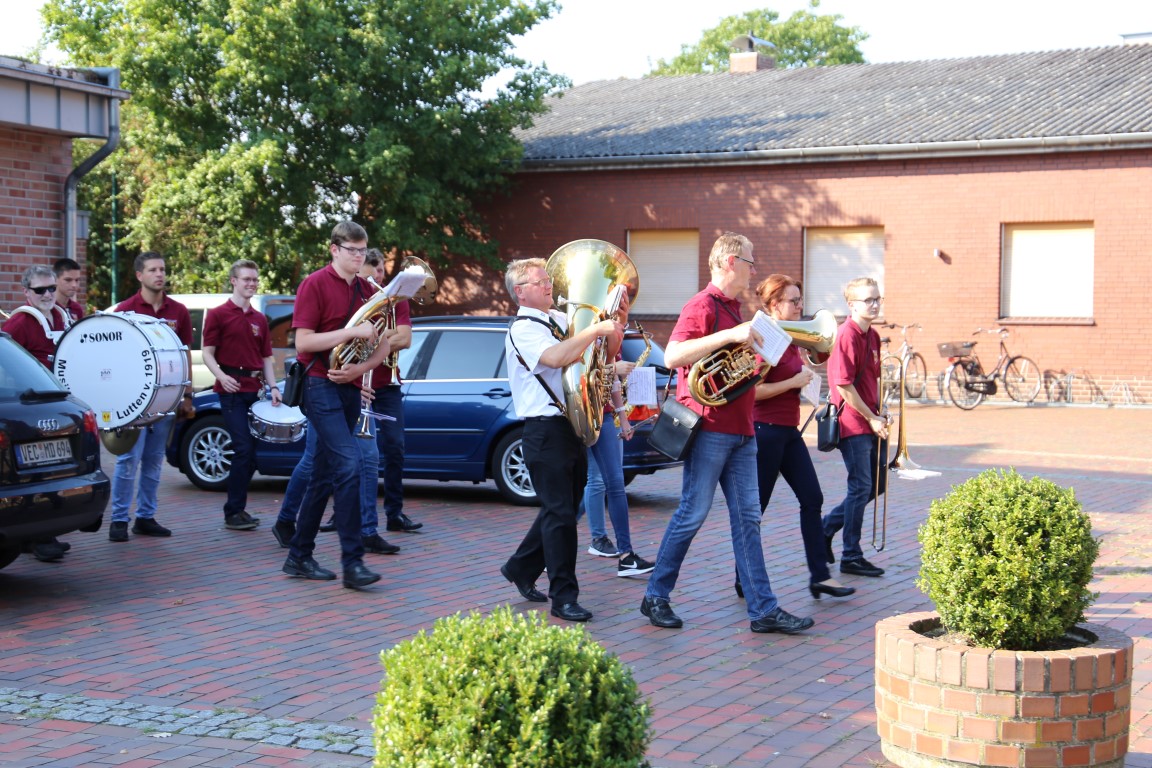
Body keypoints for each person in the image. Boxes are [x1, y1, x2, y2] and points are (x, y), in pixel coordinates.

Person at [640, 232, 814, 635]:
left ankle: (763, 610)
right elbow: (673, 355)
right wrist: (731, 336)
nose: (754, 269)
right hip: (710, 429)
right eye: (750, 261)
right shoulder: (701, 305)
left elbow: (740, 371)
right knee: (693, 513)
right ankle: (655, 596)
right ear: (731, 262)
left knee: (748, 519)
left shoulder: (736, 310)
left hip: (742, 429)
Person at [499, 257, 622, 623]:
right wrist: (594, 330)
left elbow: (594, 356)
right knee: (561, 517)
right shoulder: (523, 328)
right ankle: (564, 597)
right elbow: (555, 357)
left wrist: (612, 328)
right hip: (544, 430)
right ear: (521, 292)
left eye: (548, 280)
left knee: (563, 509)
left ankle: (520, 567)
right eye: (540, 282)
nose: (549, 285)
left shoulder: (557, 319)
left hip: (569, 425)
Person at [281, 221, 389, 590]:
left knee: (324, 474)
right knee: (349, 464)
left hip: (349, 385)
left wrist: (360, 368)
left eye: (363, 250)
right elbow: (303, 342)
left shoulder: (367, 290)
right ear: (334, 249)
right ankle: (353, 563)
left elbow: (384, 343)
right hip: (317, 384)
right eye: (352, 250)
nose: (359, 256)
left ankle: (298, 555)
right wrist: (352, 332)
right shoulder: (314, 284)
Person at [747, 274, 854, 600]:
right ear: (774, 305)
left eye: (799, 300)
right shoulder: (765, 338)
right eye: (793, 301)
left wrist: (805, 379)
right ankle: (744, 575)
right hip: (765, 432)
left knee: (812, 498)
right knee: (757, 509)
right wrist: (793, 383)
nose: (799, 306)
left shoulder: (791, 336)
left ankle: (820, 576)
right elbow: (752, 392)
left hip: (788, 432)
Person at [317, 249, 421, 542]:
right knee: (349, 453)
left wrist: (372, 337)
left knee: (395, 447)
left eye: (382, 272)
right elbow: (344, 336)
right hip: (356, 384)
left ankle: (394, 513)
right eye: (374, 271)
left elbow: (405, 338)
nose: (379, 277)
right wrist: (372, 336)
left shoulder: (395, 300)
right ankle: (342, 513)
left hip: (386, 383)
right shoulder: (354, 297)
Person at [108, 252, 193, 543]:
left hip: (166, 398)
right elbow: (113, 358)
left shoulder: (178, 311)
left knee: (155, 460)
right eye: (153, 270)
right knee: (128, 459)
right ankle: (119, 519)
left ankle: (145, 517)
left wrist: (187, 395)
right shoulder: (125, 310)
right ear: (139, 275)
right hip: (133, 402)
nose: (159, 274)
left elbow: (184, 354)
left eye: (162, 269)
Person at [201, 259, 280, 532]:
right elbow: (207, 353)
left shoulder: (260, 319)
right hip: (230, 391)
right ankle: (233, 512)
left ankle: (239, 509)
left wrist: (274, 388)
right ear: (233, 281)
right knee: (243, 448)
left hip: (255, 392)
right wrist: (221, 376)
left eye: (255, 279)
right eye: (246, 279)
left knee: (252, 453)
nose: (252, 283)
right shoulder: (218, 314)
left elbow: (266, 357)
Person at [581, 296, 655, 578]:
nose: (623, 319)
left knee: (612, 483)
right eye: (620, 314)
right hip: (582, 414)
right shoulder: (588, 330)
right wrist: (613, 369)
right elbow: (577, 369)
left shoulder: (612, 337)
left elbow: (609, 381)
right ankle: (544, 551)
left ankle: (625, 555)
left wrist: (623, 417)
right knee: (584, 486)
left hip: (603, 415)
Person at [822, 277, 889, 578]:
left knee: (877, 485)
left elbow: (873, 378)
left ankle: (826, 527)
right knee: (861, 485)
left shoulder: (873, 336)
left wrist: (881, 410)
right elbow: (843, 385)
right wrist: (871, 417)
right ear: (851, 305)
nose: (874, 305)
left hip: (871, 419)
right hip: (852, 422)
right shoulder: (846, 335)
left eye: (877, 299)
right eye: (868, 300)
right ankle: (851, 555)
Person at [4, 266, 71, 562]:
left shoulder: (62, 316)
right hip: (30, 408)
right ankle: (37, 538)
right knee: (36, 472)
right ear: (26, 292)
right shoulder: (19, 323)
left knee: (55, 470)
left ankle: (46, 532)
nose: (47, 295)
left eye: (51, 288)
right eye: (40, 290)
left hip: (58, 405)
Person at [52, 257, 86, 325]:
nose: (74, 285)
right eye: (68, 280)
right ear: (55, 279)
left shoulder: (76, 308)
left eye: (77, 280)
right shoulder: (47, 308)